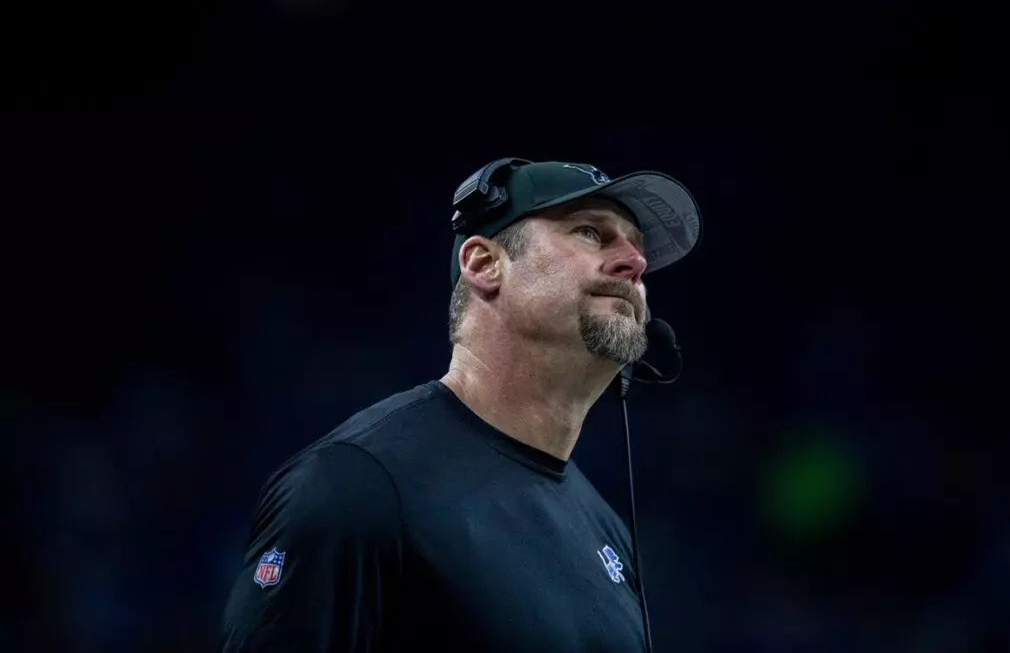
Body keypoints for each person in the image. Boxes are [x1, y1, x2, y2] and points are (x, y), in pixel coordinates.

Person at [220, 158, 702, 652]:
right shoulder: (354, 486)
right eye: (590, 233)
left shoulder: (606, 529)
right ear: (484, 264)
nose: (635, 262)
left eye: (638, 247)